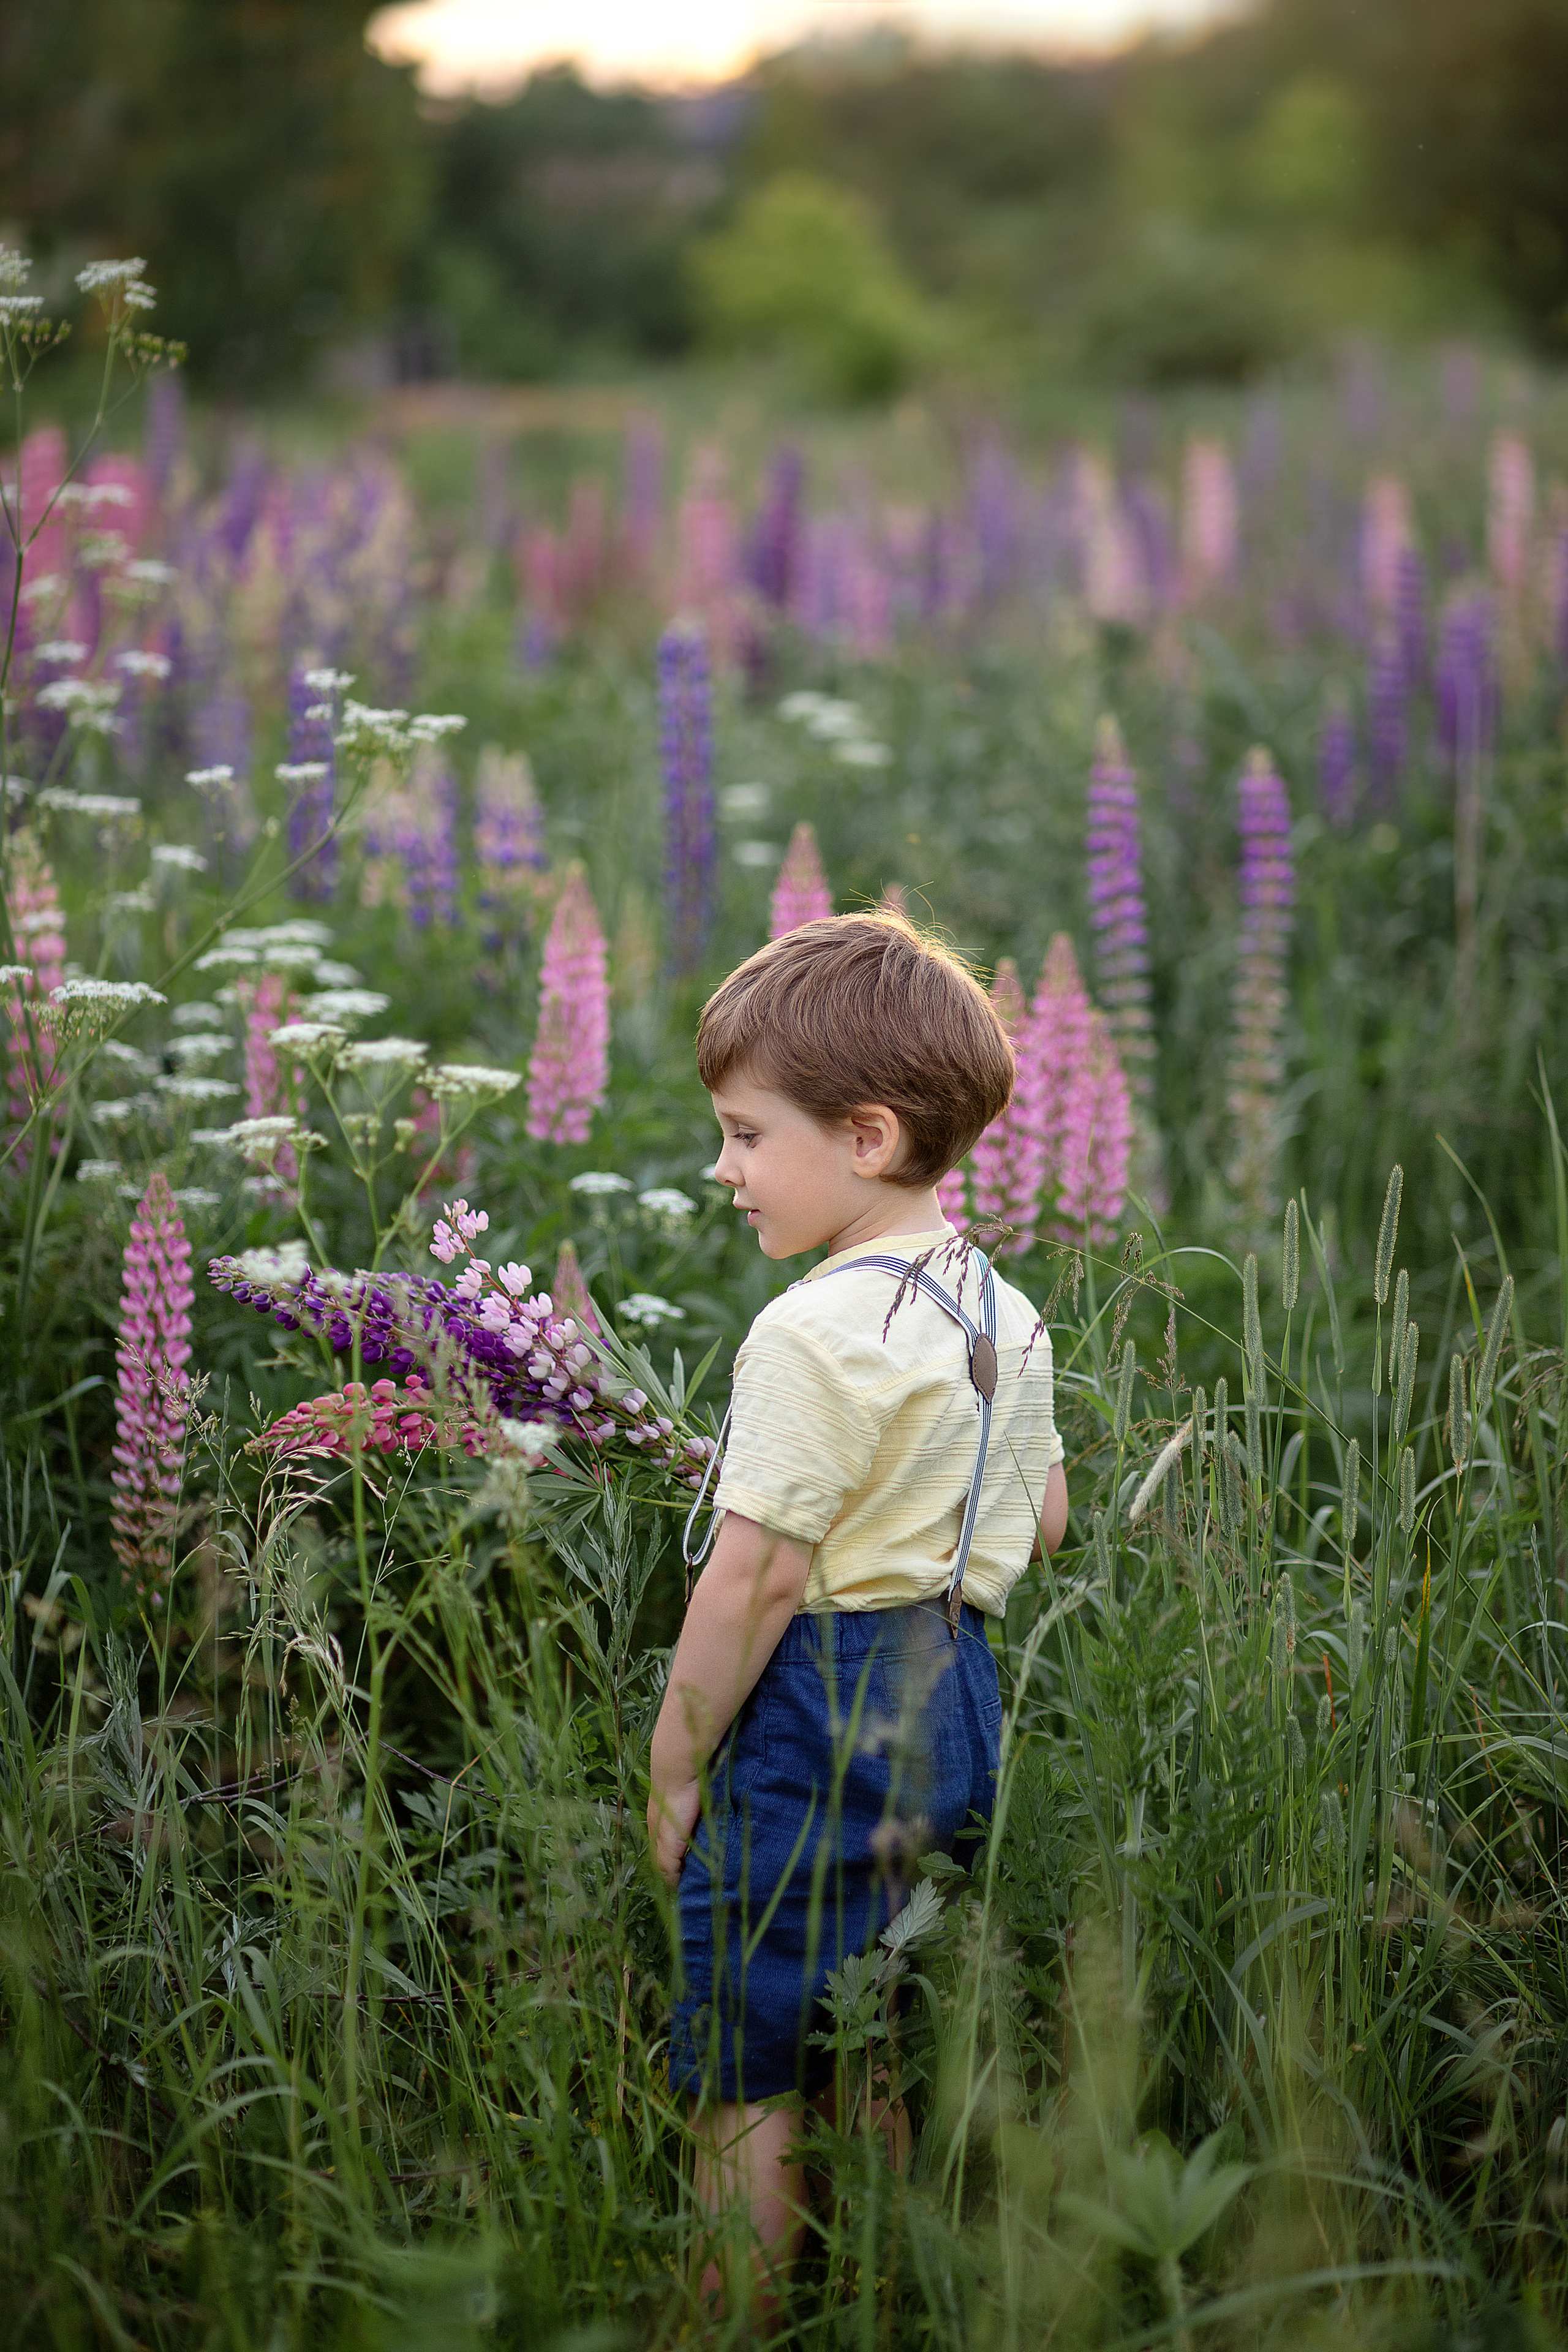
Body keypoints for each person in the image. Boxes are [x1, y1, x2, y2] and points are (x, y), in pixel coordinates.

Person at [646, 908, 1071, 2321]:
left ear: (868, 1137)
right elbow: (1045, 1520)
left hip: (813, 1712)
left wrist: (676, 1756)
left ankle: (733, 2312)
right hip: (953, 1688)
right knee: (868, 2011)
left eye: (746, 1135)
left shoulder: (807, 1331)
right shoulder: (1002, 1309)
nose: (724, 1170)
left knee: (745, 2054)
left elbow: (757, 1577)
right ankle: (878, 2289)